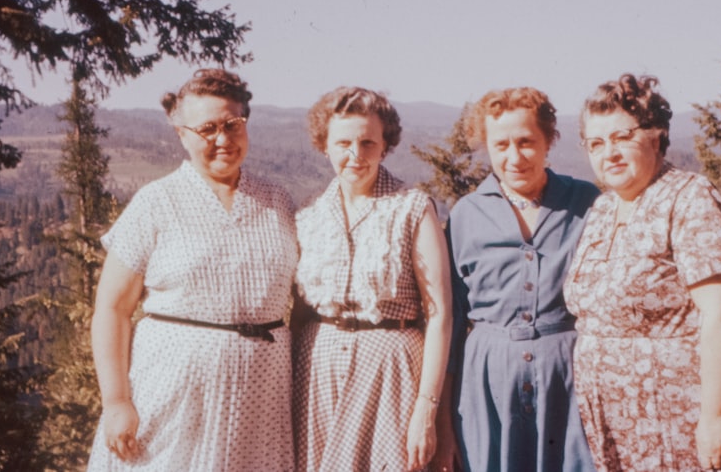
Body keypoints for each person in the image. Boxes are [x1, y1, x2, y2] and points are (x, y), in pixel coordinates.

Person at [87, 69, 298, 471]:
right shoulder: (156, 203)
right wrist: (116, 401)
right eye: (207, 129)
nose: (223, 139)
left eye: (232, 124)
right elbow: (112, 309)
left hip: (260, 404)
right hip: (170, 399)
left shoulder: (278, 201)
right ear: (181, 134)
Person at [564, 74, 721, 472]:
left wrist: (716, 416)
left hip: (681, 420)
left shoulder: (689, 198)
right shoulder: (603, 209)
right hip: (619, 429)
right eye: (597, 144)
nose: (610, 153)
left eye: (623, 137)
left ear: (655, 135)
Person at [290, 86, 452, 472]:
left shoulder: (412, 208)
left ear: (385, 145)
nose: (355, 155)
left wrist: (427, 410)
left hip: (390, 375)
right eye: (343, 142)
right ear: (324, 145)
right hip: (315, 375)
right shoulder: (309, 216)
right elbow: (298, 313)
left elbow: (441, 314)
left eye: (367, 142)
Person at [446, 87, 599, 472]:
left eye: (527, 142)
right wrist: (442, 417)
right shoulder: (466, 214)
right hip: (487, 381)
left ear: (549, 140)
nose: (514, 157)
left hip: (567, 377)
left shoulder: (586, 202)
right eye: (501, 145)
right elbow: (450, 319)